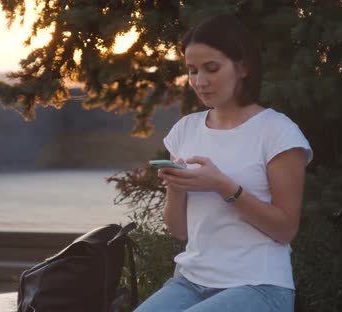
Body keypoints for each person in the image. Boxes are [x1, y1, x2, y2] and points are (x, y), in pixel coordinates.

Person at [134, 14, 313, 312]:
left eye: (211, 69)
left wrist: (223, 186)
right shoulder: (185, 130)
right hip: (191, 281)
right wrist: (176, 188)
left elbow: (285, 229)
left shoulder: (278, 132)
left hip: (260, 285)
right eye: (192, 71)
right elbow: (179, 231)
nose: (199, 82)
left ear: (243, 67)